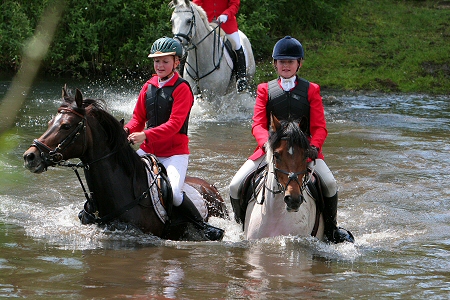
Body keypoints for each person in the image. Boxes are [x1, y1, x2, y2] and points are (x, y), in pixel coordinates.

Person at [229, 36, 354, 244]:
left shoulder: (311, 89)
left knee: (330, 184)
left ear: (299, 63)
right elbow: (258, 125)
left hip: (303, 152)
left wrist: (314, 147)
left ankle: (332, 230)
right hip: (273, 150)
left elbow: (319, 127)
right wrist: (266, 145)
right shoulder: (264, 90)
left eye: (290, 61)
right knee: (235, 185)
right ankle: (239, 226)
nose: (285, 65)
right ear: (275, 64)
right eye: (281, 61)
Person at [124, 37, 223, 241]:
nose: (160, 65)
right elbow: (137, 119)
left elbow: (174, 125)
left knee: (175, 194)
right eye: (157, 61)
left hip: (174, 155)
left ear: (176, 62)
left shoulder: (182, 88)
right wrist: (124, 131)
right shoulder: (148, 86)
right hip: (148, 151)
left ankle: (202, 227)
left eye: (165, 61)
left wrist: (145, 134)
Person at [192, 0, 248, 92]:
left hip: (226, 23)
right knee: (191, 45)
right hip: (206, 24)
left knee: (237, 45)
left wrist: (226, 15)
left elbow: (235, 4)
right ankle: (183, 75)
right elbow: (197, 3)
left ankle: (241, 78)